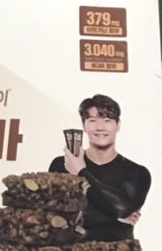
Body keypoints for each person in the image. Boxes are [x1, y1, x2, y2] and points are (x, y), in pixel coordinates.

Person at [49, 94, 151, 242]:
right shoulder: (61, 165)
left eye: (107, 120)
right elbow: (55, 216)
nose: (100, 127)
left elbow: (124, 209)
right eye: (92, 120)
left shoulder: (137, 173)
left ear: (118, 125)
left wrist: (80, 172)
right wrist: (114, 213)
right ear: (84, 125)